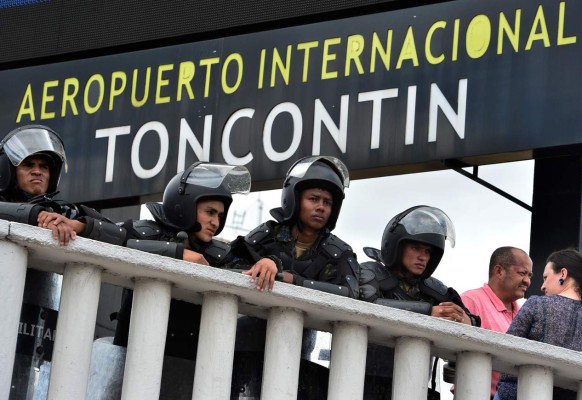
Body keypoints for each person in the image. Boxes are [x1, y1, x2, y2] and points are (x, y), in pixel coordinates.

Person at [223, 155, 360, 399]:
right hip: (246, 342)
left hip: (299, 345)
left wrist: (292, 281)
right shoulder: (266, 235)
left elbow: (350, 293)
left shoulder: (338, 252)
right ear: (295, 199)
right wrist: (262, 264)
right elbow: (225, 268)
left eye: (327, 202)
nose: (321, 207)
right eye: (313, 199)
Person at [113, 161, 252, 360]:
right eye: (210, 212)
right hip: (132, 359)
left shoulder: (219, 254)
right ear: (184, 206)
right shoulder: (143, 233)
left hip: (186, 370)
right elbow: (103, 236)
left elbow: (247, 271)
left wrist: (268, 263)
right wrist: (177, 254)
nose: (216, 222)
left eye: (220, 215)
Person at [358, 205, 480, 399]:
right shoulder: (370, 273)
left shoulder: (435, 290)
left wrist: (466, 321)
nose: (423, 256)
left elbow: (473, 321)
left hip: (415, 386)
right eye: (416, 247)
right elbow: (368, 304)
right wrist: (427, 313)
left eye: (428, 251)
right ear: (396, 245)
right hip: (365, 381)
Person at [0, 124, 127, 245]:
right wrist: (37, 216)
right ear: (8, 171)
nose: (37, 172)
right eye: (28, 165)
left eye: (44, 167)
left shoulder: (67, 213)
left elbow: (123, 235)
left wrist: (79, 226)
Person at [495, 248, 582, 400]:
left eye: (545, 277)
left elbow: (505, 351)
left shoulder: (536, 304)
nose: (542, 286)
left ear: (563, 274)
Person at [455, 246, 532, 399]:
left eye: (530, 275)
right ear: (499, 271)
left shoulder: (524, 312)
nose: (527, 281)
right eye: (522, 273)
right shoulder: (471, 300)